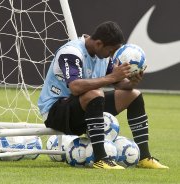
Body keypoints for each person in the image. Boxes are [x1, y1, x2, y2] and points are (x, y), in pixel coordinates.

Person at [38, 21, 168, 169]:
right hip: (56, 113)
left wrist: (131, 82)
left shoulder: (103, 56)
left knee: (134, 95)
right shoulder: (71, 52)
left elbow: (119, 84)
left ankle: (144, 157)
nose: (112, 56)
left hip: (84, 108)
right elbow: (75, 87)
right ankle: (101, 159)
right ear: (99, 44)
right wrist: (113, 77)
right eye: (111, 51)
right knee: (95, 93)